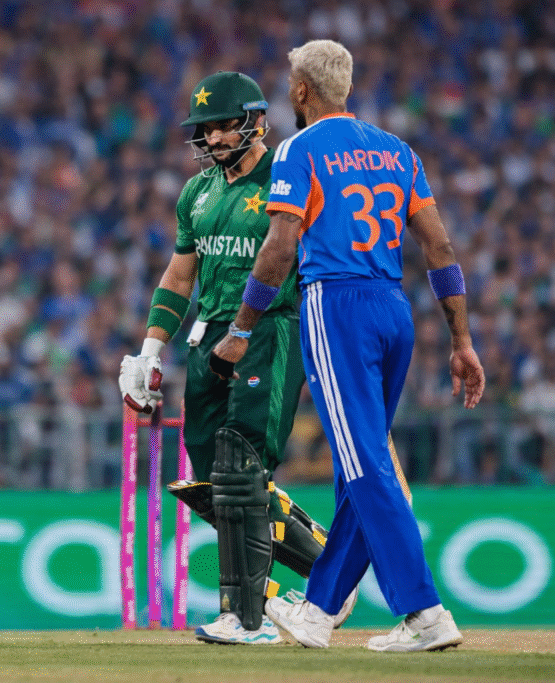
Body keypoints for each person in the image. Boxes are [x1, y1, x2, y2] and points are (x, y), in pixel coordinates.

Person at [211, 40, 485, 652]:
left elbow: (281, 248)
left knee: (364, 463)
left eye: (290, 82)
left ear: (303, 90)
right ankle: (320, 609)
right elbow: (439, 249)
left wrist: (241, 329)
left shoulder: (298, 150)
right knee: (358, 467)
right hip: (395, 310)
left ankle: (424, 611)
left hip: (335, 306)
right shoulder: (398, 152)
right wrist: (462, 339)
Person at [118, 71, 355, 646]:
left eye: (225, 125)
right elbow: (181, 273)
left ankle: (245, 618)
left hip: (272, 327)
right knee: (210, 480)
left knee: (242, 470)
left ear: (256, 121)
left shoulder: (288, 176)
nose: (215, 138)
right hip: (209, 334)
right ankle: (331, 571)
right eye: (206, 128)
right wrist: (150, 350)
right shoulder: (197, 191)